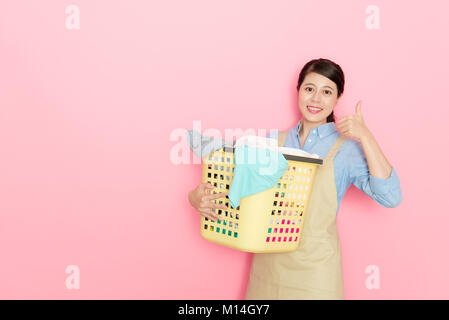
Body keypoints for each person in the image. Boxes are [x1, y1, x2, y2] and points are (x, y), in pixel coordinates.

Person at [188, 58, 402, 299]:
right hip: (268, 268)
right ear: (298, 90)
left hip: (317, 274)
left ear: (337, 98)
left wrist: (366, 137)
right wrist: (196, 198)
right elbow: (233, 185)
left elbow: (390, 196)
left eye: (327, 92)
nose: (316, 99)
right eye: (309, 89)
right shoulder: (269, 143)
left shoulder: (346, 150)